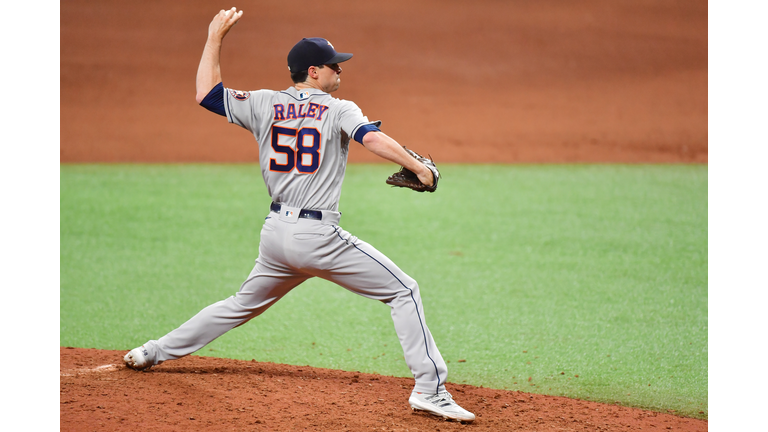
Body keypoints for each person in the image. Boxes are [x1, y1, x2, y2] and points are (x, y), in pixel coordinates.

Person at [123, 7, 475, 423]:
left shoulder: (263, 103)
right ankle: (430, 390)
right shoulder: (339, 108)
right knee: (404, 291)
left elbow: (207, 94)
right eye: (332, 66)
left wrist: (213, 38)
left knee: (240, 305)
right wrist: (419, 168)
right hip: (318, 238)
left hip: (276, 236)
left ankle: (154, 351)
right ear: (313, 71)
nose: (339, 71)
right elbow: (371, 138)